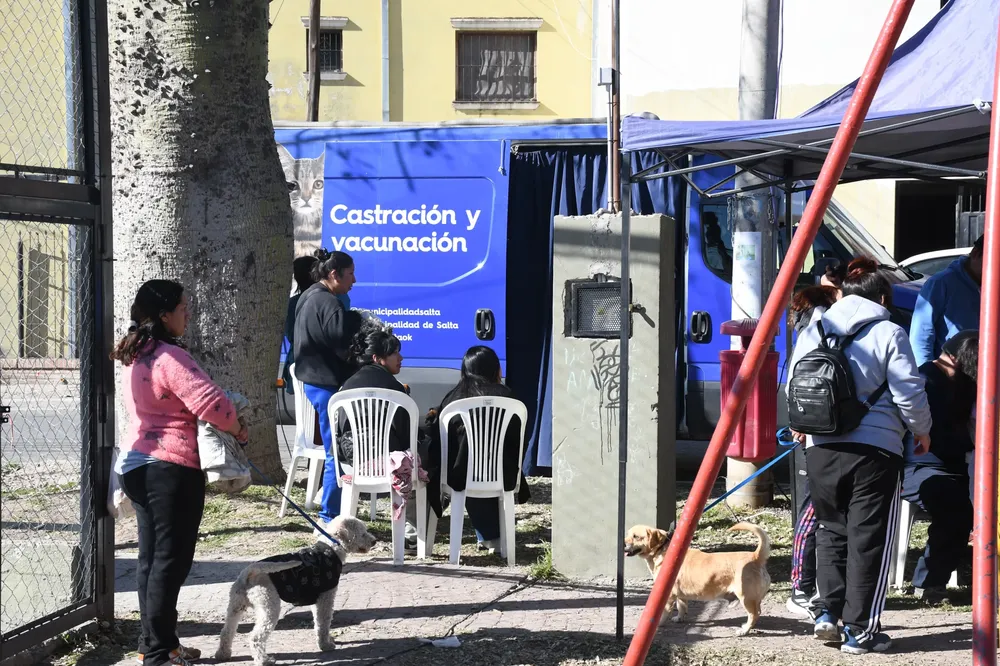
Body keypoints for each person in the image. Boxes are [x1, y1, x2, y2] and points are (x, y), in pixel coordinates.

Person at [789, 257, 932, 655]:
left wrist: (806, 426)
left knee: (830, 530)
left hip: (819, 447)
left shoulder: (817, 326)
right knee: (868, 538)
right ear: (883, 296)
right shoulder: (889, 331)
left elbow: (794, 381)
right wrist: (922, 431)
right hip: (875, 451)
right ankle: (860, 631)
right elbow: (909, 391)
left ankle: (826, 616)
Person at [112, 280, 246, 666]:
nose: (188, 313)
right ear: (165, 314)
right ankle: (158, 653)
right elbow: (215, 405)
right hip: (169, 469)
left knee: (152, 561)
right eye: (184, 306)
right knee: (170, 563)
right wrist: (238, 429)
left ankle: (156, 643)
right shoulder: (170, 357)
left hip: (138, 464)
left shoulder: (137, 354)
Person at [423, 346, 529, 552]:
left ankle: (488, 537)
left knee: (461, 463)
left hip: (459, 476)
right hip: (503, 474)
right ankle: (494, 538)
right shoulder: (509, 397)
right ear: (496, 369)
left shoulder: (453, 398)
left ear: (464, 370)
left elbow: (440, 441)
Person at [902, 330, 978, 602]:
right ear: (960, 360)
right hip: (919, 466)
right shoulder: (925, 381)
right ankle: (929, 582)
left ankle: (974, 571)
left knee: (985, 507)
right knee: (956, 507)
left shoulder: (961, 382)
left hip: (958, 465)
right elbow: (933, 437)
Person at [337, 320, 425, 547]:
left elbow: (338, 431)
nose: (401, 358)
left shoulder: (345, 386)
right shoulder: (395, 389)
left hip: (354, 462)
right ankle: (413, 530)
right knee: (422, 460)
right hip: (389, 463)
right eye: (395, 353)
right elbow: (408, 436)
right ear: (377, 358)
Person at [786, 285, 840, 620]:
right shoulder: (820, 328)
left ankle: (805, 586)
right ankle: (801, 587)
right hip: (819, 432)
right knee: (814, 512)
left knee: (816, 511)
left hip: (815, 431)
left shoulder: (812, 329)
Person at [293, 249, 360, 523]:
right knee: (337, 453)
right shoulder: (329, 303)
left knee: (335, 450)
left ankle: (333, 510)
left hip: (313, 382)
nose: (354, 281)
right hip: (327, 386)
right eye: (350, 274)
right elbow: (341, 339)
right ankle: (329, 516)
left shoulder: (308, 296)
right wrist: (356, 320)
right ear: (334, 275)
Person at [909, 236, 983, 366]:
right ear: (976, 254)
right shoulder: (941, 283)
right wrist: (926, 377)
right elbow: (921, 338)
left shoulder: (990, 287)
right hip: (953, 376)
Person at [283, 255, 319, 394]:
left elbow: (290, 334)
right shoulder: (325, 300)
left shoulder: (292, 303)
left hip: (297, 361)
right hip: (310, 366)